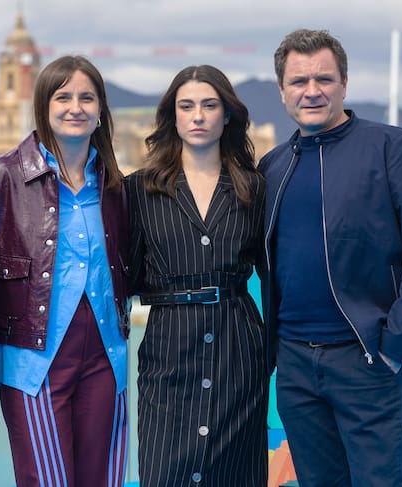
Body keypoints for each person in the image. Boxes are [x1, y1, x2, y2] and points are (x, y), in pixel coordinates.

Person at [257, 29, 402, 486]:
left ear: (344, 83)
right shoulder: (273, 166)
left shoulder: (391, 147)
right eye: (299, 81)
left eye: (324, 78)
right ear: (282, 90)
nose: (312, 91)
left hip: (367, 359)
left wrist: (394, 345)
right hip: (296, 366)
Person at [0, 55, 129, 487]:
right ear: (43, 106)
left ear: (101, 110)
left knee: (103, 480)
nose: (75, 108)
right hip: (33, 358)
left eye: (87, 98)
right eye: (63, 97)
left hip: (105, 357)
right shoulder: (0, 176)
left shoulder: (115, 184)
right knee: (47, 480)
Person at [127, 65, 268, 487]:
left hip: (238, 351)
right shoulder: (139, 190)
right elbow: (126, 275)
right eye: (186, 106)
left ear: (227, 115)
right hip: (168, 351)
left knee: (236, 476)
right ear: (172, 117)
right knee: (163, 472)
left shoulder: (254, 188)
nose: (198, 116)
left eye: (210, 105)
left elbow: (275, 274)